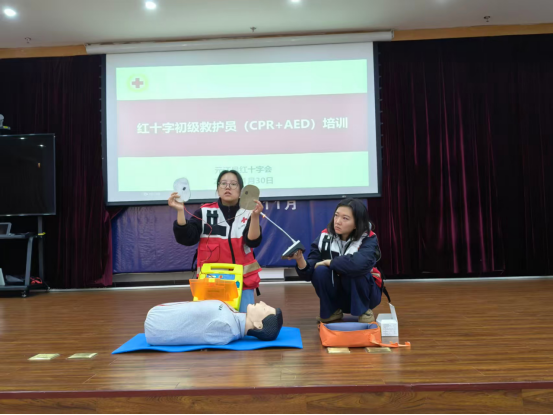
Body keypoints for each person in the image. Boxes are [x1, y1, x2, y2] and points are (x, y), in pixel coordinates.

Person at [169, 170, 263, 312]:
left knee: (244, 322)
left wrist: (255, 217)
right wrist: (180, 211)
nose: (228, 187)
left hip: (243, 283)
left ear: (241, 191)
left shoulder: (248, 212)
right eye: (223, 183)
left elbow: (253, 242)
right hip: (211, 283)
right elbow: (187, 238)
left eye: (233, 184)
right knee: (212, 322)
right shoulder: (204, 212)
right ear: (218, 189)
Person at [288, 199, 384, 324]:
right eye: (336, 215)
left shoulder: (369, 237)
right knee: (320, 271)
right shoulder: (325, 236)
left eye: (345, 218)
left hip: (367, 294)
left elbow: (359, 264)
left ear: (357, 223)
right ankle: (332, 311)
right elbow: (310, 272)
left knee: (353, 269)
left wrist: (330, 262)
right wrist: (300, 259)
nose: (337, 221)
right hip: (340, 295)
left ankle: (364, 310)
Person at [145, 301, 284, 346]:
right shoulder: (232, 318)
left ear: (258, 325)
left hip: (157, 323)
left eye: (264, 308)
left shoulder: (227, 328)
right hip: (159, 314)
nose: (261, 302)